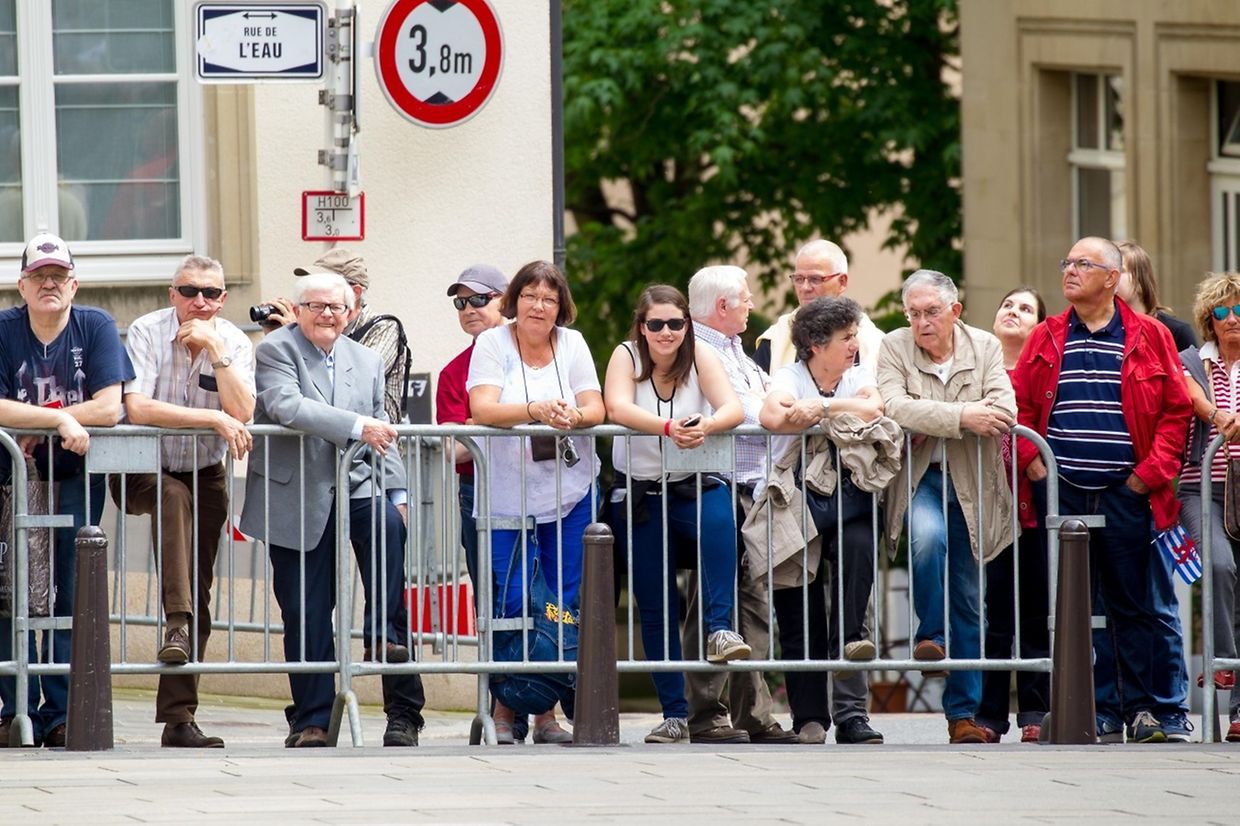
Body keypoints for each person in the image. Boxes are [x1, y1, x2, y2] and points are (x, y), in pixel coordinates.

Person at [1012, 236, 1193, 744]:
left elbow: (1176, 411)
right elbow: (1021, 406)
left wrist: (1149, 474)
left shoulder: (1150, 335)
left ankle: (1144, 710)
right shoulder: (1046, 336)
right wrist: (1031, 461)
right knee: (1077, 606)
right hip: (1064, 491)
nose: (1069, 271)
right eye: (1066, 262)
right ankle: (1103, 711)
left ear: (1112, 278)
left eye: (1082, 264)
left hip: (1126, 491)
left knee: (1132, 604)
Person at [239, 270, 424, 748]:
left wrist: (399, 494)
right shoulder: (276, 349)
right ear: (298, 311)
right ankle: (312, 719)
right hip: (296, 493)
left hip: (359, 485)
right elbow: (287, 407)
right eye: (316, 306)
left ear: (350, 313)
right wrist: (359, 425)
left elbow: (386, 429)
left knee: (387, 529)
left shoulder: (366, 359)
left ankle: (387, 655)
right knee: (306, 610)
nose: (326, 314)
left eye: (335, 308)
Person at [109, 255, 254, 748]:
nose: (199, 301)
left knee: (201, 589)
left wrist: (216, 351)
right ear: (172, 294)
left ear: (222, 299)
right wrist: (211, 420)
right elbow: (138, 406)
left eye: (210, 293)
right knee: (171, 496)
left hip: (205, 471)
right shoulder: (148, 331)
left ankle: (178, 719)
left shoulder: (232, 340)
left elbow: (244, 410)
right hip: (142, 466)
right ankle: (177, 622)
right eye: (189, 291)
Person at [0, 232, 133, 748]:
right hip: (10, 477)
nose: (49, 285)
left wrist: (48, 422)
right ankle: (9, 708)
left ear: (74, 284)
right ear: (22, 285)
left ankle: (59, 712)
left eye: (58, 277)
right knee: (6, 590)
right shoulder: (6, 328)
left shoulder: (95, 325)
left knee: (68, 590)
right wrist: (60, 421)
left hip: (75, 477)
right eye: (40, 277)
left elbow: (108, 408)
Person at [603, 284, 750, 744]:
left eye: (675, 323)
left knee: (720, 522)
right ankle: (673, 713)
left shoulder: (701, 354)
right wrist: (669, 428)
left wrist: (706, 424)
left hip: (694, 484)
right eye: (656, 324)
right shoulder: (626, 356)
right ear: (641, 327)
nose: (666, 332)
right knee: (654, 600)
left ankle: (720, 630)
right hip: (641, 492)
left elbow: (734, 407)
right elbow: (617, 407)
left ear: (687, 324)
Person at [876, 269, 1016, 745]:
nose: (921, 322)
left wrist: (934, 416)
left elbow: (1004, 411)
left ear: (955, 311)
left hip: (973, 484)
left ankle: (963, 717)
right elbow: (892, 406)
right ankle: (929, 635)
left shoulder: (985, 347)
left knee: (970, 600)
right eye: (913, 313)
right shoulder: (894, 346)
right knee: (926, 536)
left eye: (930, 311)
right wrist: (961, 416)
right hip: (920, 479)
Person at [467, 260, 604, 745]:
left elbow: (598, 406)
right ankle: (505, 711)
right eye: (529, 295)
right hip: (506, 492)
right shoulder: (492, 343)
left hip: (568, 493)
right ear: (514, 301)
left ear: (560, 307)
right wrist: (534, 410)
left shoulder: (574, 343)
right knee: (511, 599)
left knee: (560, 602)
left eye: (549, 298)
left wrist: (572, 414)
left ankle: (546, 713)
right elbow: (481, 408)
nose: (538, 306)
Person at [758, 296, 892, 746]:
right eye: (846, 337)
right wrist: (832, 408)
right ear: (816, 344)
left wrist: (818, 410)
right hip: (795, 497)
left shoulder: (857, 373)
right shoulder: (790, 374)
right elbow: (773, 415)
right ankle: (809, 717)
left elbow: (873, 408)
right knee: (798, 605)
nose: (855, 344)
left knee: (858, 559)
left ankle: (853, 715)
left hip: (851, 495)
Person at [681, 265, 797, 745]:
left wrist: (777, 405)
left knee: (751, 600)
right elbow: (748, 411)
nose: (752, 305)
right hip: (717, 484)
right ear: (723, 306)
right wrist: (779, 410)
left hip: (748, 486)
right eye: (745, 299)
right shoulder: (698, 348)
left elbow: (769, 398)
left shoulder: (733, 350)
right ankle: (707, 712)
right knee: (715, 597)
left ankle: (753, 712)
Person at [976, 287, 1050, 743]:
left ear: (1039, 325)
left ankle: (1036, 711)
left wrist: (1028, 456)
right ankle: (988, 714)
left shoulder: (1044, 369)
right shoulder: (980, 367)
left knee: (1037, 606)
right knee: (994, 610)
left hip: (1034, 500)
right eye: (1007, 304)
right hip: (987, 501)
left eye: (1025, 309)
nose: (1013, 312)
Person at [1177, 271, 1240, 742]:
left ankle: (1239, 714)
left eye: (1239, 310)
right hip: (1203, 489)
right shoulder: (1191, 360)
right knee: (1218, 566)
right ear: (1209, 320)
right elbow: (1187, 393)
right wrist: (1217, 416)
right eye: (1222, 311)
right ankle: (1222, 663)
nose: (1232, 319)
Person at [264, 249, 411, 426]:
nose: (326, 313)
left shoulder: (383, 327)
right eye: (315, 305)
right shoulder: (281, 345)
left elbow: (350, 381)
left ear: (355, 292)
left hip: (369, 444)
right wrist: (295, 333)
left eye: (326, 282)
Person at [436, 264, 509, 586]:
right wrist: (512, 417)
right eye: (460, 303)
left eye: (478, 299)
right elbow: (454, 449)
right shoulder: (452, 372)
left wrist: (476, 421)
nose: (468, 309)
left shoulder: (535, 352)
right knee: (489, 593)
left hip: (542, 486)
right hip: (478, 489)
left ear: (504, 301)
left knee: (542, 592)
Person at [754, 239, 884, 374]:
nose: (805, 288)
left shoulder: (874, 343)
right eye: (799, 279)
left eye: (815, 279)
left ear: (842, 282)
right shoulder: (776, 338)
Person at [1116, 240, 1198, 352]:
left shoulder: (1176, 331)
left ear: (1140, 279)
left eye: (1120, 271)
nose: (1110, 278)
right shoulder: (1102, 329)